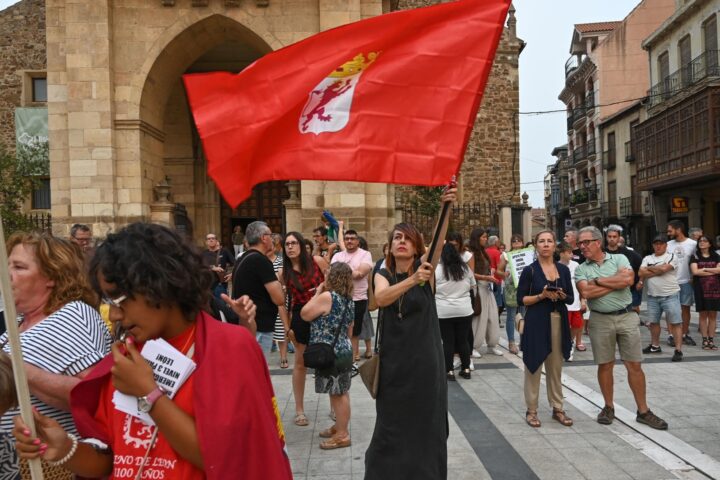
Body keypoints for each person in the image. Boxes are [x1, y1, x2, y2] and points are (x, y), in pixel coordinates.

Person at [12, 222, 292, 479]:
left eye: (120, 300)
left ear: (160, 284)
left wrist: (150, 394)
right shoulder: (128, 355)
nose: (115, 315)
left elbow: (226, 459)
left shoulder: (230, 347)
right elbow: (111, 459)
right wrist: (65, 448)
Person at [1, 232, 112, 477]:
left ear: (51, 275)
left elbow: (95, 395)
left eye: (19, 267)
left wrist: (16, 368)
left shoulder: (72, 315)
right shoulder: (18, 322)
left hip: (47, 466)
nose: (6, 274)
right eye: (6, 265)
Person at [365, 187, 456, 479]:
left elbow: (440, 239)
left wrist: (447, 206)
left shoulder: (425, 269)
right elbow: (381, 299)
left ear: (417, 247)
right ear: (390, 247)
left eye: (406, 238)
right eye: (396, 238)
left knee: (425, 425)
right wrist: (412, 280)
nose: (401, 242)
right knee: (390, 425)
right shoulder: (383, 273)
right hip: (394, 365)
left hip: (425, 363)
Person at [574, 226, 668, 430]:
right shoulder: (581, 268)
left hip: (626, 316)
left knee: (634, 364)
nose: (581, 246)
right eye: (579, 243)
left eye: (585, 242)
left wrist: (598, 280)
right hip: (600, 319)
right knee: (605, 364)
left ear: (597, 242)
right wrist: (614, 283)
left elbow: (628, 280)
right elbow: (587, 292)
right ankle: (608, 407)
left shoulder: (619, 259)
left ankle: (643, 411)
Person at [517, 231, 573, 428]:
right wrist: (541, 296)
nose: (546, 245)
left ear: (555, 246)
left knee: (555, 367)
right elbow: (521, 299)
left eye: (550, 241)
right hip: (536, 322)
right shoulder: (529, 271)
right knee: (533, 366)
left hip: (559, 320)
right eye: (542, 241)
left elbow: (571, 298)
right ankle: (531, 410)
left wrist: (560, 295)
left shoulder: (563, 270)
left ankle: (558, 407)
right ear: (536, 246)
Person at [300, 263, 355, 450]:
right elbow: (350, 329)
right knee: (339, 391)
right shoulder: (348, 300)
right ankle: (339, 427)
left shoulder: (327, 297)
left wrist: (318, 292)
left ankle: (342, 435)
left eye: (328, 273)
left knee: (338, 394)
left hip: (330, 352)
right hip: (343, 349)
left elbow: (305, 314)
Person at [281, 231, 329, 427]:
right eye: (286, 244)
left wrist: (320, 293)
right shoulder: (283, 273)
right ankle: (299, 410)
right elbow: (280, 303)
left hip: (323, 311)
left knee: (328, 360)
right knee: (300, 364)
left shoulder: (317, 261)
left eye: (293, 243)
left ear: (301, 245)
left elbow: (331, 283)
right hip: (300, 316)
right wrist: (287, 327)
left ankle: (335, 405)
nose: (290, 247)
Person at [231, 221, 289, 354]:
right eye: (270, 235)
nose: (272, 239)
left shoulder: (242, 258)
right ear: (263, 238)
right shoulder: (261, 261)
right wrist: (282, 286)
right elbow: (279, 299)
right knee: (257, 370)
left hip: (247, 324)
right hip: (259, 327)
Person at [639, 234, 684, 361]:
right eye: (656, 244)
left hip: (670, 295)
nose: (658, 246)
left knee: (675, 323)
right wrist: (657, 269)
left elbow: (665, 269)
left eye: (661, 243)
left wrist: (649, 269)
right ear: (653, 245)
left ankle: (678, 349)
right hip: (653, 296)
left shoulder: (672, 256)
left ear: (666, 245)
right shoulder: (647, 257)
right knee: (653, 323)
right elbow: (641, 272)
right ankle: (655, 346)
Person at [332, 227, 373, 362]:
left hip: (358, 298)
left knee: (355, 329)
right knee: (340, 327)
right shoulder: (338, 256)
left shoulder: (365, 254)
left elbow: (360, 274)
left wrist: (344, 269)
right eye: (347, 239)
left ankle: (354, 354)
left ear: (357, 241)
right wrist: (352, 270)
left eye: (352, 239)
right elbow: (333, 275)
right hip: (340, 297)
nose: (349, 241)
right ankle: (342, 353)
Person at [435, 243, 476, 380]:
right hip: (464, 310)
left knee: (448, 342)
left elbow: (431, 288)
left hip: (443, 310)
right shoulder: (465, 269)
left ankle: (449, 371)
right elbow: (472, 285)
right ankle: (466, 368)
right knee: (463, 340)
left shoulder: (437, 270)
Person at [468, 228, 503, 357]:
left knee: (492, 317)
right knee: (479, 319)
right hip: (478, 288)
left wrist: (491, 273)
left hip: (488, 288)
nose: (485, 239)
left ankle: (492, 344)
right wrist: (486, 277)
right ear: (477, 238)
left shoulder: (484, 252)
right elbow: (469, 273)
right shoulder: (471, 253)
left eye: (486, 237)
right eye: (483, 237)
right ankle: (473, 346)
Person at [666, 220, 698, 346]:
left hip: (686, 281)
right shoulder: (668, 244)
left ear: (678, 229)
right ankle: (670, 335)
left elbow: (697, 261)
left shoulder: (693, 244)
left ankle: (684, 334)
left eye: (670, 230)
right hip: (671, 281)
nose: (668, 233)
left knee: (685, 308)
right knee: (670, 309)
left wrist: (693, 277)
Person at [689, 235, 720, 350]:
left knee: (712, 315)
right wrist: (713, 271)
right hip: (700, 289)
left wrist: (705, 269)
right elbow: (695, 272)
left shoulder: (716, 256)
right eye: (700, 241)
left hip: (715, 289)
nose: (702, 242)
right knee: (703, 315)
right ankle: (704, 340)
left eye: (704, 241)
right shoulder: (695, 256)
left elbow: (719, 270)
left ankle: (711, 340)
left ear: (710, 244)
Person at [605, 225, 643, 314]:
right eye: (609, 236)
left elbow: (643, 267)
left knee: (632, 313)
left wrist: (641, 281)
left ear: (619, 238)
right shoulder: (602, 253)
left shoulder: (629, 253)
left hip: (629, 290)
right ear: (606, 238)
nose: (612, 239)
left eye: (614, 237)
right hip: (607, 291)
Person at [558, 241, 585, 359]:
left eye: (572, 252)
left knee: (577, 325)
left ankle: (570, 342)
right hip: (564, 303)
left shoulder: (576, 265)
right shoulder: (556, 266)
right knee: (564, 326)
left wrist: (583, 300)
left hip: (576, 303)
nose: (572, 255)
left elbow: (581, 284)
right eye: (569, 252)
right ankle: (565, 346)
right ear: (562, 254)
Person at [268, 233, 290, 368]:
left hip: (279, 298)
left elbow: (284, 282)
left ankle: (283, 357)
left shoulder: (281, 261)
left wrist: (280, 278)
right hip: (264, 299)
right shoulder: (260, 261)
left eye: (273, 245)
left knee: (282, 328)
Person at [503, 234, 525, 355]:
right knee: (511, 316)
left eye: (519, 241)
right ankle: (511, 342)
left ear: (522, 242)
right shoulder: (506, 255)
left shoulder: (528, 254)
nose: (516, 243)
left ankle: (523, 341)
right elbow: (499, 270)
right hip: (511, 288)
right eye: (514, 241)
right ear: (511, 244)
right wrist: (504, 274)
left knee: (524, 315)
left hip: (525, 288)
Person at [202, 232, 235, 300]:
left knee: (222, 308)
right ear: (206, 242)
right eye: (208, 239)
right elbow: (198, 267)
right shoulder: (203, 253)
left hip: (220, 285)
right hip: (207, 286)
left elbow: (236, 263)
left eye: (213, 238)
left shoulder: (224, 251)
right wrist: (212, 268)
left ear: (216, 241)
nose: (211, 240)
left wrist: (232, 274)